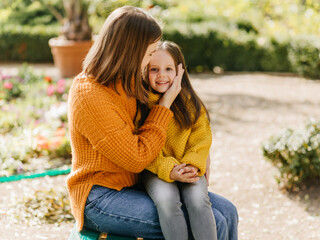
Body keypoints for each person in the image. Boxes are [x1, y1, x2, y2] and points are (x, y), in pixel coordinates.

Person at [66, 5, 239, 240]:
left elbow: (180, 124)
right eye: (149, 53)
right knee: (214, 222)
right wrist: (164, 105)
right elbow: (136, 158)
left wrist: (197, 155)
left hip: (137, 184)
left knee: (228, 212)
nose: (150, 62)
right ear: (130, 51)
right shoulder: (89, 94)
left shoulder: (129, 80)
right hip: (101, 196)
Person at [137, 40, 216, 240]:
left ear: (180, 71)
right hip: (156, 169)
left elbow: (202, 139)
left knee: (198, 200)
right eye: (154, 69)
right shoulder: (141, 105)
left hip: (189, 166)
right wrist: (169, 170)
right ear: (144, 71)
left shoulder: (190, 103)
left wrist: (192, 164)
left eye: (168, 69)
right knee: (167, 201)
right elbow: (141, 147)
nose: (162, 75)